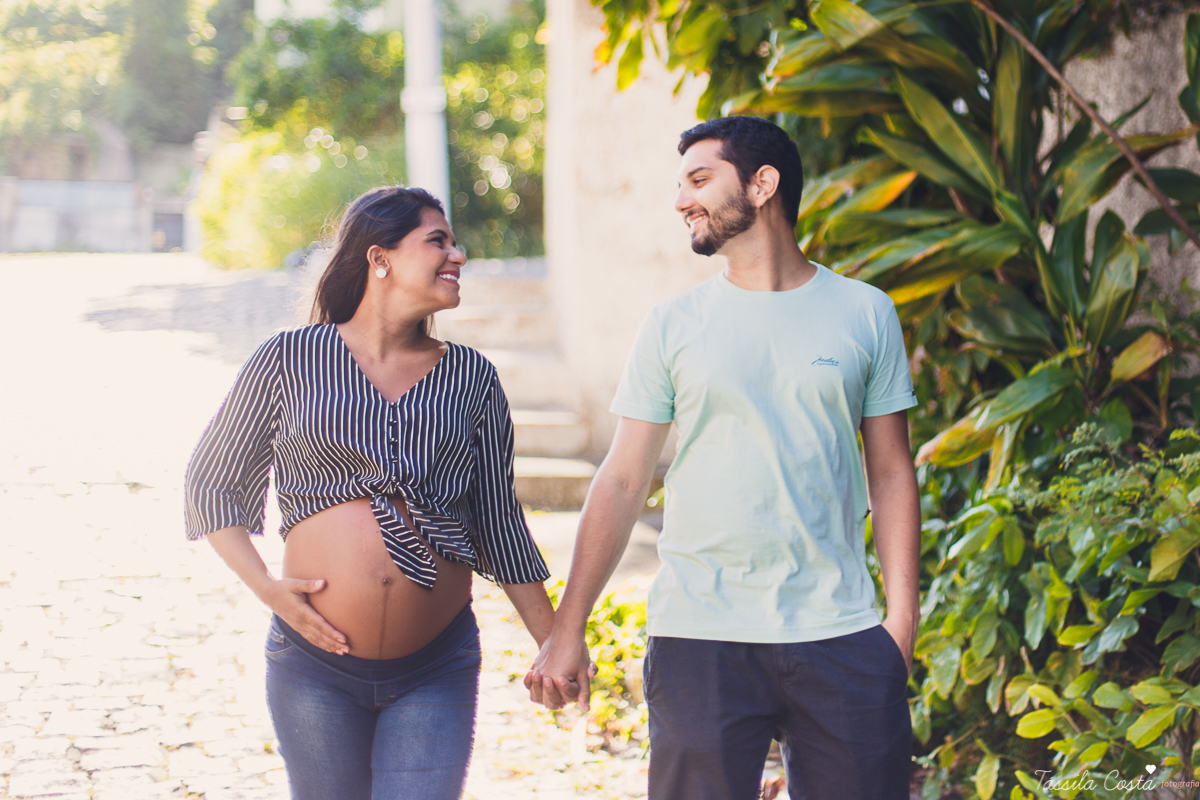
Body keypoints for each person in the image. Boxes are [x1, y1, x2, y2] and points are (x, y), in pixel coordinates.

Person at [527, 117, 920, 800]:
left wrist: (901, 625)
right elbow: (622, 480)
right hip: (699, 634)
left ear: (763, 184)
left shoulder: (865, 313)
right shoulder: (672, 325)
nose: (682, 200)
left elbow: (890, 472)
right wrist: (569, 627)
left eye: (699, 180)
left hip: (843, 632)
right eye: (680, 185)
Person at [184, 186, 555, 800]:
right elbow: (213, 478)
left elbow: (498, 522)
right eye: (438, 240)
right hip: (313, 669)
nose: (457, 255)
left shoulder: (472, 377)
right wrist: (268, 590)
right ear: (378, 258)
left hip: (436, 667)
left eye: (454, 242)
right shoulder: (289, 359)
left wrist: (556, 641)